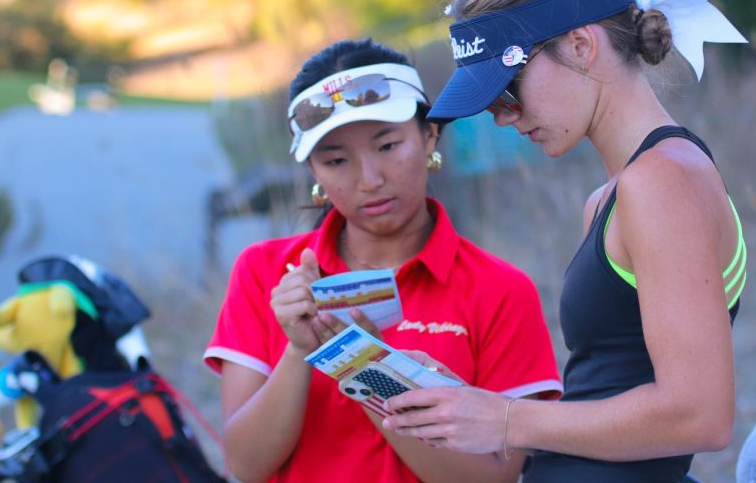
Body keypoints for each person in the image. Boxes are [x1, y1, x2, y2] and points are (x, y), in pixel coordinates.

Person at [381, 0, 750, 482]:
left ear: (581, 46)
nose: (502, 116)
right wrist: (471, 404)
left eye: (509, 88)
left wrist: (508, 419)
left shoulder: (664, 182)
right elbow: (608, 393)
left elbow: (700, 414)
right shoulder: (612, 197)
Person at [203, 39, 562, 483]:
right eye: (336, 160)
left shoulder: (500, 289)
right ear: (314, 172)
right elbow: (245, 465)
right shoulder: (265, 272)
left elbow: (495, 477)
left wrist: (362, 365)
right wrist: (300, 350)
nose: (370, 180)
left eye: (388, 146)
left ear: (429, 135)